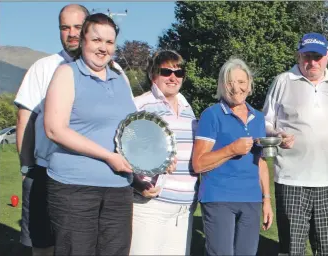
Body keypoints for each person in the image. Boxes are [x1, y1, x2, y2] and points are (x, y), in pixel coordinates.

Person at [43, 13, 136, 255]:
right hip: (75, 189)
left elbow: (131, 131)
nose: (103, 48)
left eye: (109, 42)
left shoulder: (120, 80)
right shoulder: (66, 74)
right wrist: (108, 156)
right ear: (83, 40)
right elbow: (55, 129)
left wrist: (152, 159)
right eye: (96, 40)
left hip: (118, 189)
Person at [263, 32, 328, 255]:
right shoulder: (283, 81)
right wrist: (277, 133)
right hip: (291, 180)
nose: (312, 62)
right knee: (292, 249)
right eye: (307, 56)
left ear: (327, 56)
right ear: (299, 56)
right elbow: (265, 122)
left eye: (318, 56)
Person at [13, 4, 89, 255]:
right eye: (65, 27)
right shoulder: (43, 68)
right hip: (46, 171)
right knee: (44, 246)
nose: (71, 33)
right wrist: (27, 167)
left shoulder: (109, 70)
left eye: (78, 26)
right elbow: (25, 118)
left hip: (91, 174)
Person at [192, 58, 273, 255]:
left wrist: (267, 200)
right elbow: (198, 164)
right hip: (219, 198)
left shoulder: (259, 118)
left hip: (251, 199)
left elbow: (260, 162)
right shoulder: (211, 115)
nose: (236, 88)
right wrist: (231, 150)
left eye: (241, 82)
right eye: (230, 82)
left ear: (250, 84)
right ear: (221, 85)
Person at [129, 50, 198, 255]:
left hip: (183, 211)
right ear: (153, 75)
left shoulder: (188, 108)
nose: (173, 77)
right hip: (150, 207)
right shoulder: (140, 105)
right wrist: (137, 182)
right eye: (166, 71)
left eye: (179, 72)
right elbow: (122, 149)